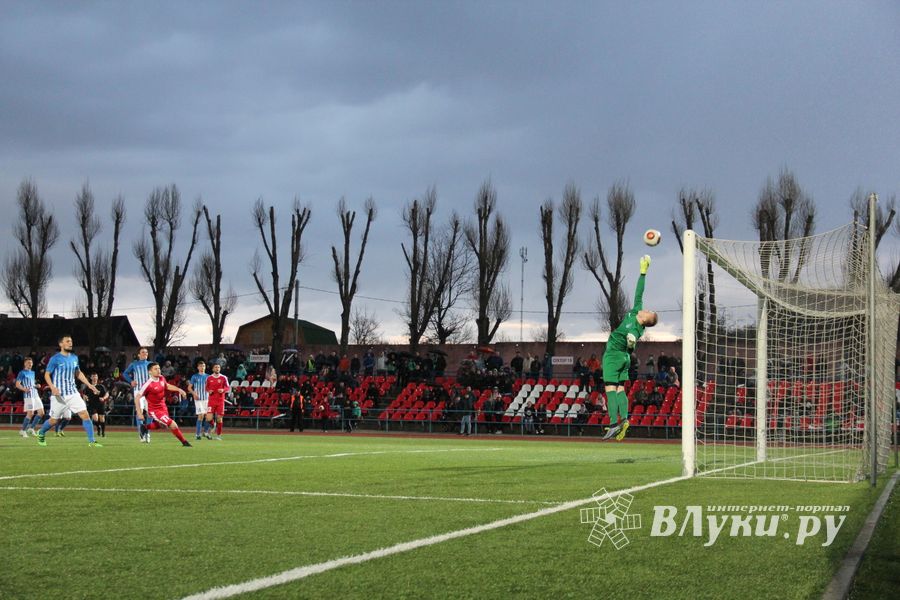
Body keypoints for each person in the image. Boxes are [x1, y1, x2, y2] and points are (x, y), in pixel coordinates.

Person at [601, 255, 658, 441]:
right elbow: (638, 292)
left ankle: (612, 424)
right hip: (623, 358)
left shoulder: (635, 327)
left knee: (609, 388)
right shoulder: (636, 312)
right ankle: (624, 420)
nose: (646, 308)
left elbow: (632, 338)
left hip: (615, 355)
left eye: (648, 312)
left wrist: (631, 341)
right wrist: (643, 272)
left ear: (646, 319)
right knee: (619, 389)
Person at [35, 335, 103, 447]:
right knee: (54, 421)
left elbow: (78, 373)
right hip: (59, 395)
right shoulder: (55, 359)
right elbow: (47, 375)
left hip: (73, 393)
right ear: (61, 344)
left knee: (85, 415)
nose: (70, 343)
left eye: (71, 341)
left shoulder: (74, 358)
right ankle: (41, 433)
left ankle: (92, 441)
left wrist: (90, 385)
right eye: (67, 341)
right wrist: (52, 387)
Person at [135, 362, 192, 447]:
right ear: (150, 372)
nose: (158, 370)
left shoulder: (161, 378)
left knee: (163, 426)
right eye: (155, 369)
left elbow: (167, 386)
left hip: (163, 407)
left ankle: (145, 427)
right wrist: (139, 413)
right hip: (154, 410)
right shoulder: (148, 384)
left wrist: (179, 390)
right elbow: (137, 397)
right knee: (172, 424)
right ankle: (184, 442)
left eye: (159, 368)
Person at [123, 347, 152, 442]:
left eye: (146, 352)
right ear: (139, 355)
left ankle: (147, 433)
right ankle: (141, 434)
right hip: (138, 391)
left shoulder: (151, 364)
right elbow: (125, 374)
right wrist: (131, 381)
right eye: (143, 352)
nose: (145, 353)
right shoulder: (134, 364)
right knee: (139, 412)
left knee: (150, 413)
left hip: (149, 392)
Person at [17, 357, 43, 437]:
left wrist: (36, 385)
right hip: (28, 395)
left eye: (31, 363)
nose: (30, 364)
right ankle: (23, 430)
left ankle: (31, 428)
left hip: (35, 394)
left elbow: (32, 384)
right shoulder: (22, 373)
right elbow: (17, 384)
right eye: (28, 363)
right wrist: (24, 389)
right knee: (30, 413)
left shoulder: (32, 373)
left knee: (41, 413)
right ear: (25, 363)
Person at [187, 360, 213, 440]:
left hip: (207, 399)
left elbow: (211, 387)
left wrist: (211, 392)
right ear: (198, 367)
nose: (202, 367)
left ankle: (205, 432)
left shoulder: (209, 376)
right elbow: (189, 388)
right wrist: (194, 394)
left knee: (208, 417)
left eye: (204, 366)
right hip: (198, 399)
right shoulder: (194, 376)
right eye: (201, 366)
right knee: (201, 416)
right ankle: (197, 434)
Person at [205, 362, 230, 440]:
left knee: (219, 418)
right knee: (208, 418)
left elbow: (228, 388)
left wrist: (223, 390)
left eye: (218, 367)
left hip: (220, 401)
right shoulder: (209, 378)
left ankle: (218, 435)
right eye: (215, 367)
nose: (217, 369)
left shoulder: (224, 377)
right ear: (213, 369)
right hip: (211, 401)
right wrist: (209, 391)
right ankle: (213, 425)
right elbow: (206, 388)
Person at [83, 372, 109, 438]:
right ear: (91, 378)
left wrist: (103, 398)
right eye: (93, 376)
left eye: (96, 376)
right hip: (92, 405)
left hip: (100, 404)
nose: (95, 378)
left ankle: (103, 433)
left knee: (102, 419)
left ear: (97, 377)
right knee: (95, 418)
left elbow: (107, 394)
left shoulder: (101, 386)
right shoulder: (88, 387)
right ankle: (98, 427)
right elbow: (84, 395)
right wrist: (85, 397)